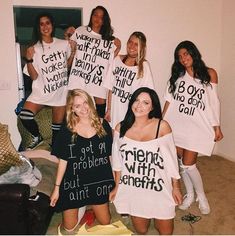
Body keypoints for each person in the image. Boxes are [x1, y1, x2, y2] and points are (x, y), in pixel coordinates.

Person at [110, 87, 182, 235]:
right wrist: (117, 186)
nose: (139, 105)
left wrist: (176, 187)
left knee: (166, 232)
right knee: (141, 230)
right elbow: (117, 162)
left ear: (152, 107)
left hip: (159, 187)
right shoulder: (120, 128)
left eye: (145, 102)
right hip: (134, 188)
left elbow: (171, 160)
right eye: (136, 100)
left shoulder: (162, 126)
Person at [163, 40, 223, 215]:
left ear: (193, 53)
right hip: (178, 124)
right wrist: (161, 123)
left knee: (190, 165)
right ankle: (189, 195)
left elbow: (213, 103)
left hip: (196, 126)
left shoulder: (209, 73)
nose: (183, 58)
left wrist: (216, 127)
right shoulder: (177, 77)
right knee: (182, 164)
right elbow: (168, 101)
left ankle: (201, 196)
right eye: (180, 56)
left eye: (186, 54)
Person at [50, 89, 115, 233]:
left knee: (106, 222)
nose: (83, 108)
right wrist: (57, 188)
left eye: (85, 103)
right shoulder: (67, 129)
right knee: (69, 229)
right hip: (75, 184)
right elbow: (63, 160)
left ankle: (87, 206)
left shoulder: (103, 125)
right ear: (72, 109)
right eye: (77, 106)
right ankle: (82, 206)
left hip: (97, 181)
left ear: (90, 103)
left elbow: (110, 156)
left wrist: (115, 183)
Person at [19, 12, 76, 149]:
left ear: (52, 25)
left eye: (47, 23)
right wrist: (29, 59)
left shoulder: (63, 44)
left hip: (59, 94)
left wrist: (73, 52)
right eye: (41, 24)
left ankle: (54, 155)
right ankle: (37, 136)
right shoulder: (35, 49)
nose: (45, 26)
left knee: (56, 136)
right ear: (38, 28)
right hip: (41, 92)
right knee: (25, 115)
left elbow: (66, 67)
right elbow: (34, 77)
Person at [68, 5, 121, 118]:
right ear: (91, 16)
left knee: (100, 111)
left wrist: (118, 48)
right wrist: (68, 36)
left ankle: (99, 133)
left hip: (97, 79)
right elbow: (70, 47)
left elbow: (109, 60)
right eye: (95, 15)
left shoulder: (107, 39)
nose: (97, 18)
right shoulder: (80, 30)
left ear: (104, 21)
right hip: (80, 77)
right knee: (78, 107)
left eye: (101, 17)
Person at [104, 31, 155, 129]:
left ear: (142, 48)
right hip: (114, 114)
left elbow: (148, 95)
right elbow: (110, 87)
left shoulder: (144, 66)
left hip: (131, 116)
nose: (132, 46)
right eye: (130, 42)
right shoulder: (117, 60)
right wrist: (109, 109)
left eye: (136, 44)